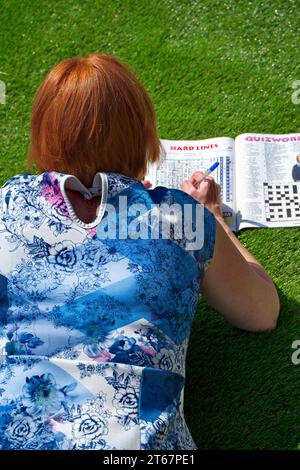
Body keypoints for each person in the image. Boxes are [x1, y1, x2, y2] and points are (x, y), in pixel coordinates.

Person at [0, 54, 280, 451]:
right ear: (143, 136)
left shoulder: (7, 205)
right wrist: (212, 217)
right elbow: (262, 312)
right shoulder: (182, 216)